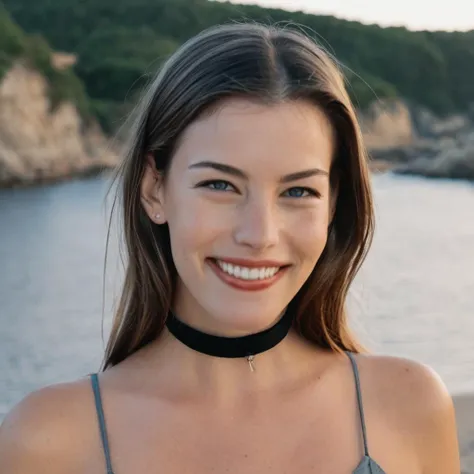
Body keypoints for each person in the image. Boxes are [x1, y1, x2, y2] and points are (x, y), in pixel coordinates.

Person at [0, 22, 460, 474]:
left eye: (298, 191)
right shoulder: (48, 442)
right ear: (154, 189)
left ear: (334, 204)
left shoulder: (408, 407)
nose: (259, 234)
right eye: (220, 184)